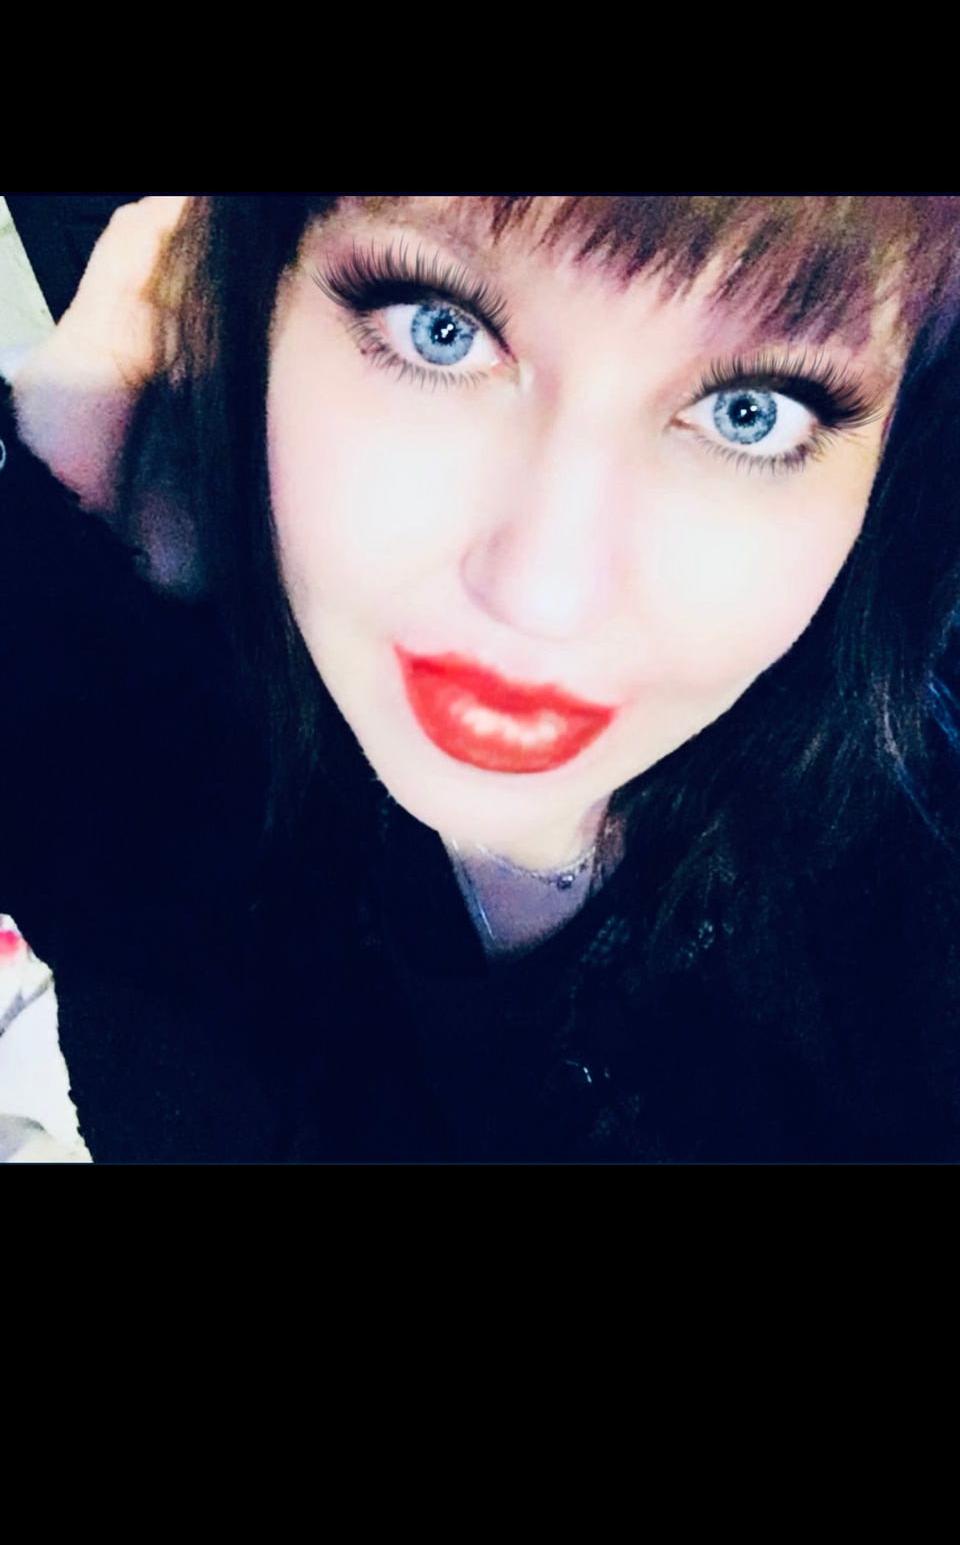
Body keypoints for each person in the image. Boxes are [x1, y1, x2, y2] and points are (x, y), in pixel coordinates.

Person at [3, 193, 960, 1163]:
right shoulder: (162, 726)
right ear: (253, 306)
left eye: (748, 414)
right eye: (440, 328)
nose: (543, 595)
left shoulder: (914, 936)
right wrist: (65, 482)